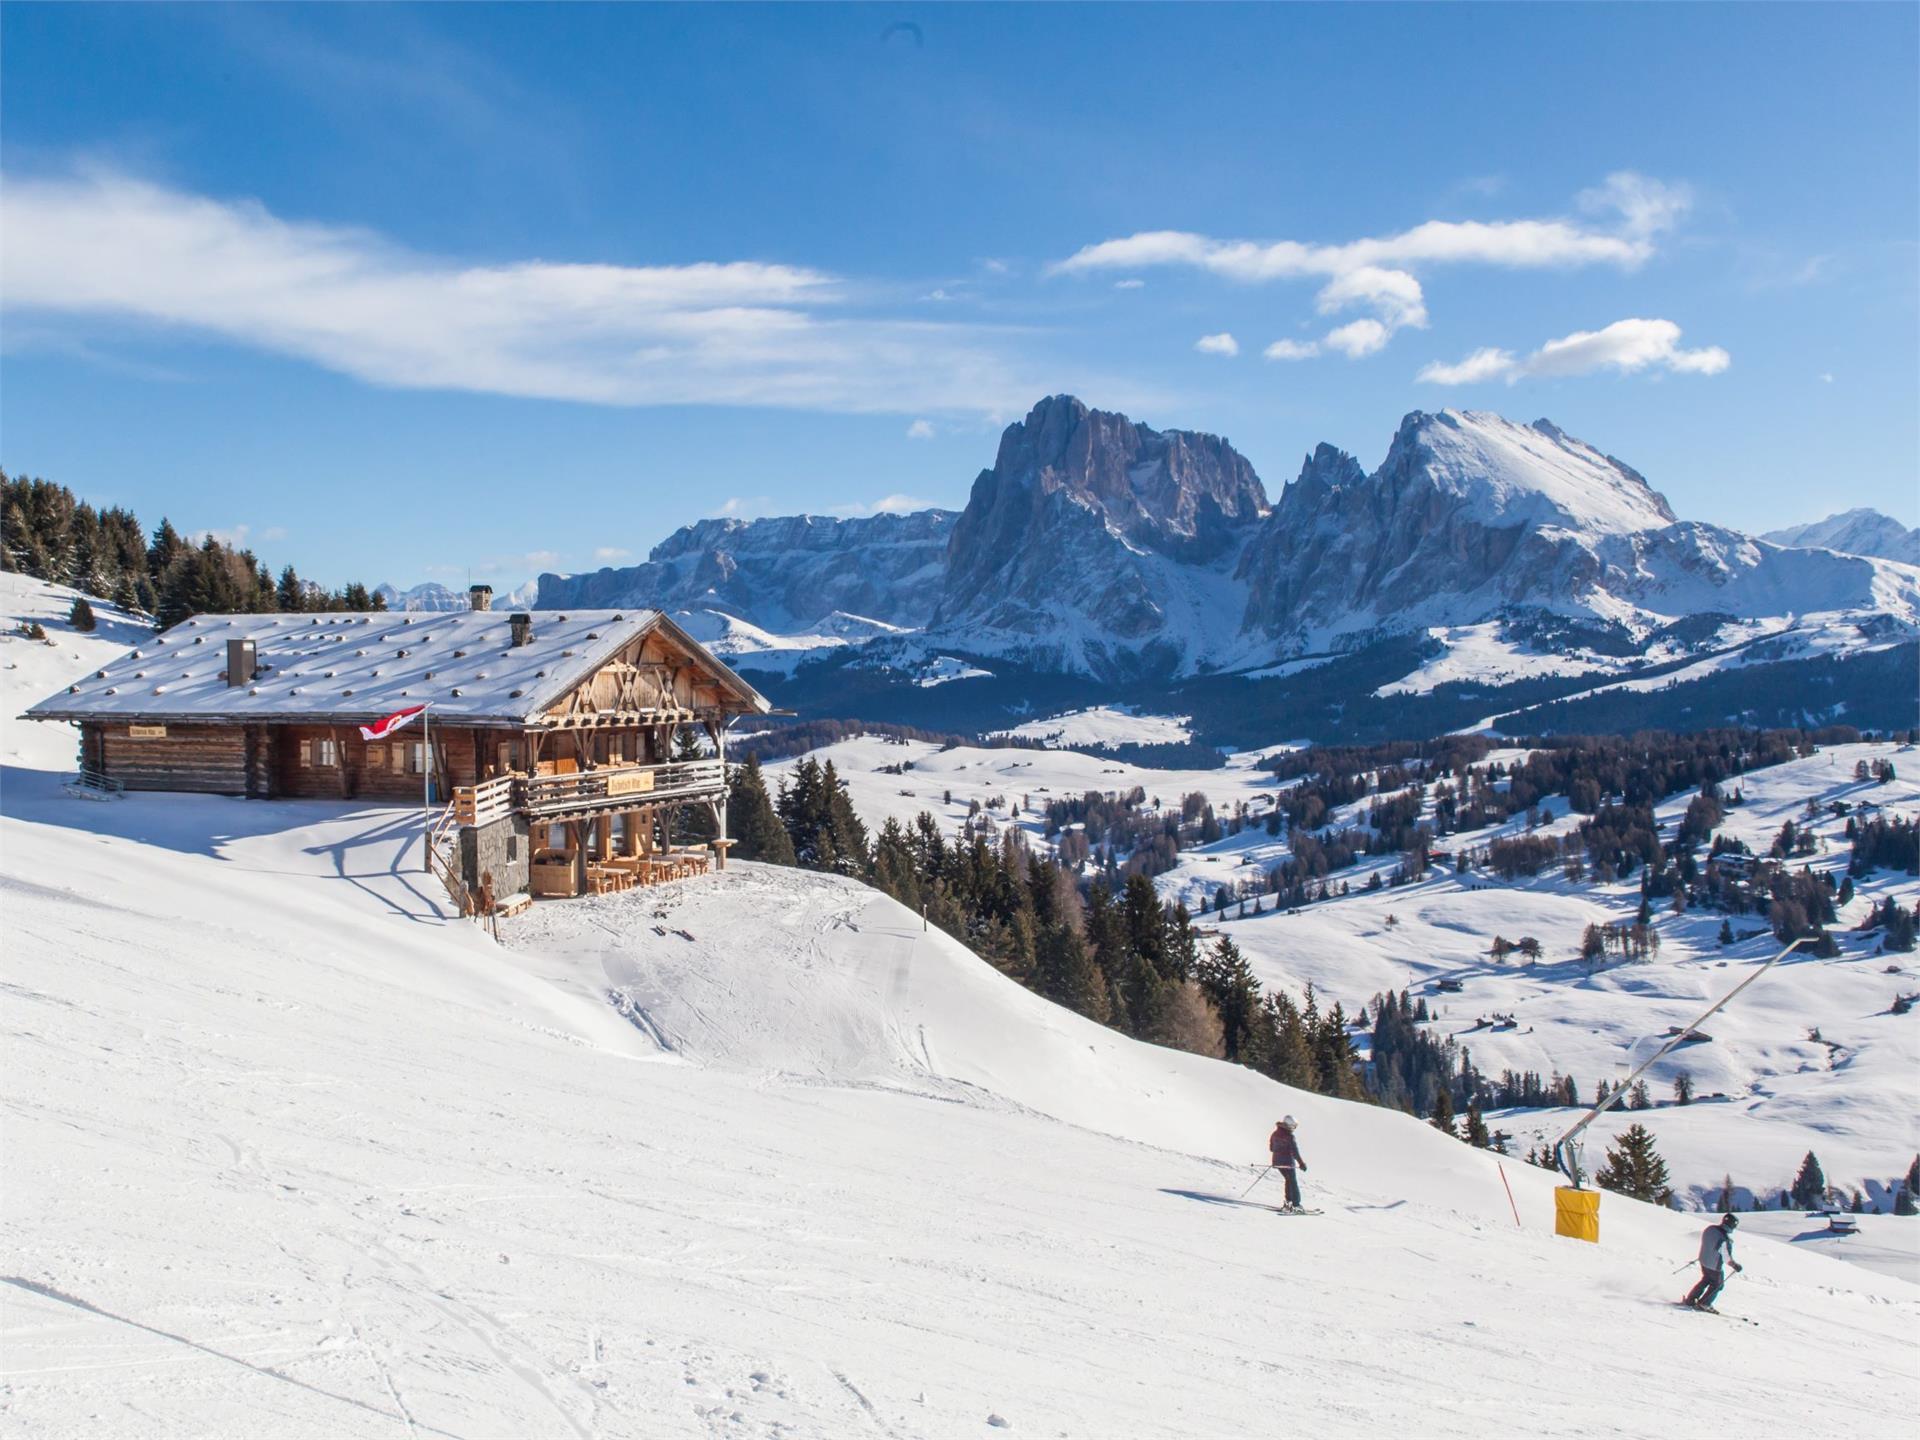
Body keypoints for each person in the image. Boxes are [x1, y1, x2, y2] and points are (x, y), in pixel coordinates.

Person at [1683, 1213, 1743, 1312]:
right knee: (1718, 1285)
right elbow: (1726, 1257)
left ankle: (1691, 1299)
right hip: (1714, 1266)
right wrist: (1735, 1265)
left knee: (1706, 1280)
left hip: (1703, 1261)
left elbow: (1708, 1244)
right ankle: (1704, 1303)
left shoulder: (1710, 1229)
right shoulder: (1724, 1239)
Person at [1268, 1116, 1308, 1212]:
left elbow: (1271, 1148)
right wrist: (1301, 1163)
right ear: (1289, 1125)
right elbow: (1295, 1152)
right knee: (1292, 1182)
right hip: (1288, 1163)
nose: (1294, 1128)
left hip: (1277, 1162)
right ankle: (1296, 1204)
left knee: (1288, 1180)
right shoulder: (1290, 1137)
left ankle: (1288, 1202)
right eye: (1293, 1126)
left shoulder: (1275, 1133)